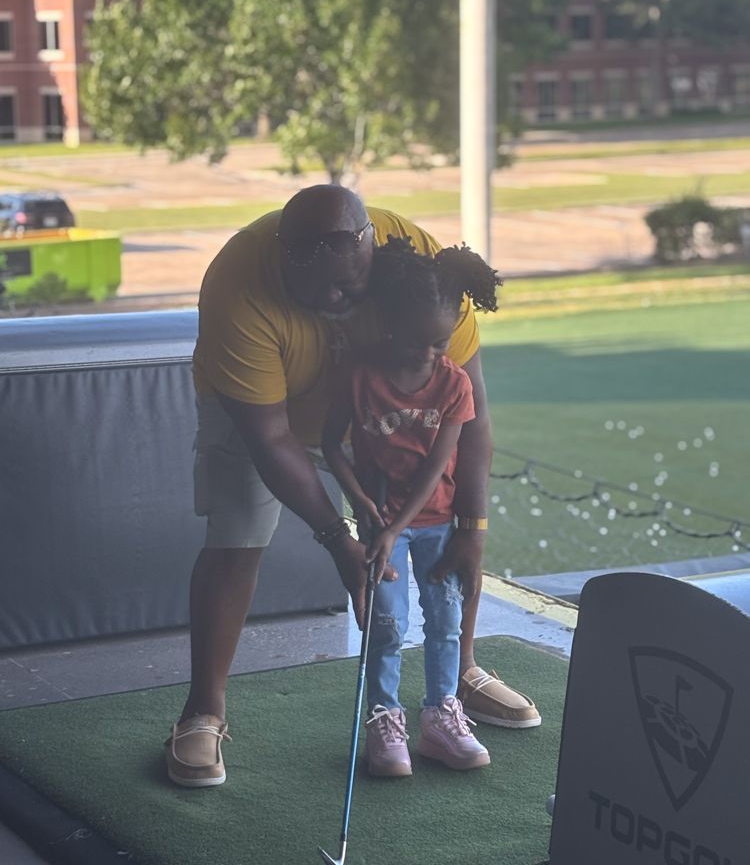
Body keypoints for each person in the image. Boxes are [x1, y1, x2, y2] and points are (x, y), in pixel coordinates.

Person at [164, 184, 540, 789]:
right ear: (286, 261)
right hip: (273, 408)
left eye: (350, 285)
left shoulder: (418, 255)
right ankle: (203, 712)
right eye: (320, 291)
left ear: (372, 248)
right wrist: (338, 536)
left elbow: (468, 412)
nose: (338, 300)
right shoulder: (238, 281)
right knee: (236, 536)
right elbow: (272, 439)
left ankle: (458, 677)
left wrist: (474, 526)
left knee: (444, 539)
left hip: (384, 413)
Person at [323, 236, 501, 775]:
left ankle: (442, 716)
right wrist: (360, 504)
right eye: (416, 345)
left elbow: (433, 470)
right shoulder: (359, 377)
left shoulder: (453, 386)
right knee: (387, 625)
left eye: (440, 344)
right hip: (383, 524)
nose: (429, 356)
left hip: (435, 524)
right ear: (389, 326)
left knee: (446, 620)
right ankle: (384, 719)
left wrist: (392, 526)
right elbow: (332, 444)